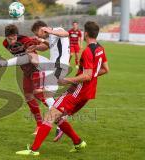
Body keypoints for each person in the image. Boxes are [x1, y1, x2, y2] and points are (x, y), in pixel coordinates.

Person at [16, 21, 109, 156]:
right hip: (88, 92)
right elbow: (105, 69)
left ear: (85, 33)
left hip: (78, 91)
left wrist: (68, 80)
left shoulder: (88, 51)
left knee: (50, 115)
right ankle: (78, 142)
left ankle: (33, 150)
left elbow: (87, 75)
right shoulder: (100, 49)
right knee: (57, 116)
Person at [0, 20, 71, 140]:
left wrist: (49, 31)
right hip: (51, 65)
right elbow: (48, 46)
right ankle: (2, 64)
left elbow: (65, 33)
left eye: (38, 33)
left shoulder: (56, 30)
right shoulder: (51, 37)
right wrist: (39, 43)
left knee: (42, 94)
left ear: (43, 28)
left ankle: (61, 121)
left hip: (58, 67)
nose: (38, 36)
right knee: (31, 59)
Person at [0, 24, 48, 134]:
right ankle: (40, 125)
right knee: (28, 96)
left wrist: (38, 42)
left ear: (17, 35)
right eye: (10, 38)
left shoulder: (26, 40)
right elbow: (19, 58)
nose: (12, 40)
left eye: (14, 37)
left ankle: (60, 114)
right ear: (6, 37)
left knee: (39, 95)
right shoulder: (5, 44)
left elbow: (42, 47)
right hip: (26, 72)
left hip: (37, 69)